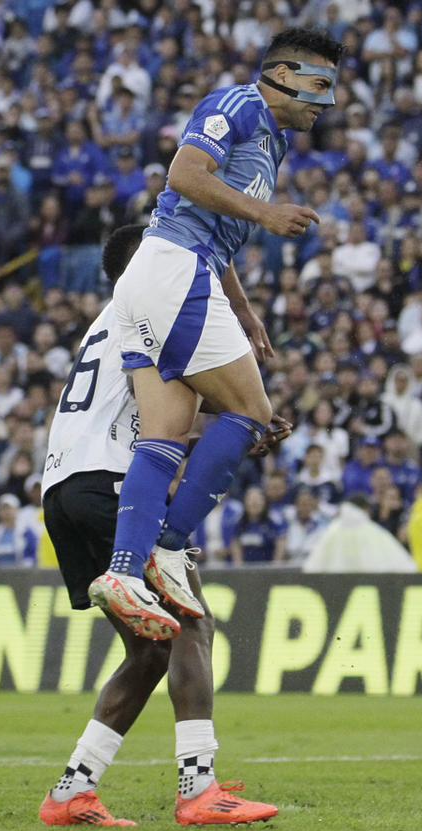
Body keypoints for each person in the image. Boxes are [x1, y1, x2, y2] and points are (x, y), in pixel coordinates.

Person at [92, 30, 345, 649]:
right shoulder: (238, 106)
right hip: (177, 267)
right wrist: (266, 213)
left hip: (160, 275)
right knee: (252, 414)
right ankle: (168, 548)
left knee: (166, 434)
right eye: (319, 86)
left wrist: (246, 313)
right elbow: (183, 175)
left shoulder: (274, 139)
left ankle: (123, 572)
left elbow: (218, 223)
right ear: (282, 73)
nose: (327, 103)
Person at [39, 225, 287, 828]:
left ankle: (74, 790)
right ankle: (199, 787)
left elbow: (153, 413)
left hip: (62, 487)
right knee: (191, 629)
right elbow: (170, 418)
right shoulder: (160, 307)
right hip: (115, 487)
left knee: (150, 649)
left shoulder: (110, 320)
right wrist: (243, 418)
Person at [303, 497, 416, 573]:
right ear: (365, 509)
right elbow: (402, 564)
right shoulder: (373, 530)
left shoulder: (331, 530)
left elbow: (313, 565)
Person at [0, 494, 36, 567]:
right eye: (3, 509)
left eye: (9, 508)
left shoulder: (26, 532)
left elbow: (32, 556)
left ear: (17, 510)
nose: (6, 512)